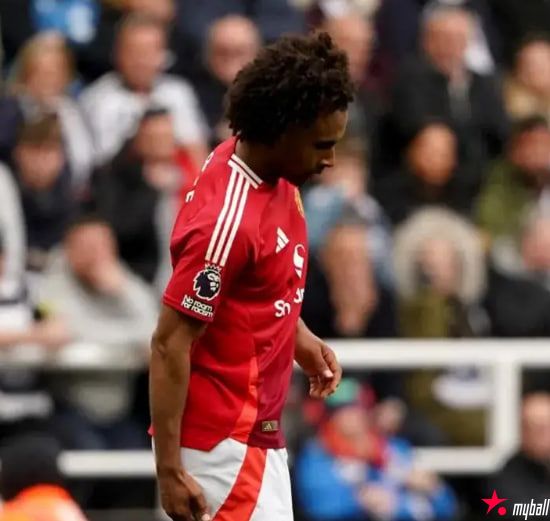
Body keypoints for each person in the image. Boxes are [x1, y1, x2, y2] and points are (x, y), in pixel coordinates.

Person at [149, 32, 351, 521]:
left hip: (257, 439)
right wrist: (170, 470)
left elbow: (252, 288)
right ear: (283, 130)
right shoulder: (228, 222)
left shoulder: (273, 171)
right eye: (322, 145)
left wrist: (297, 336)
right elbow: (169, 345)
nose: (330, 160)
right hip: (224, 449)